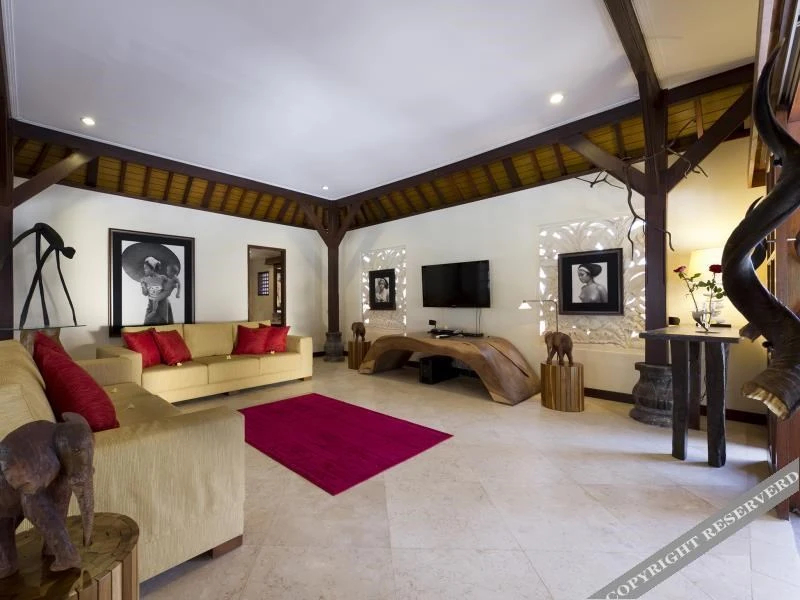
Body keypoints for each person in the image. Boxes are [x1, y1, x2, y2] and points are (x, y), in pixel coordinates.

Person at [140, 257, 175, 325]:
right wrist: (143, 285)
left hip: (163, 305)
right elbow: (145, 293)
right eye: (144, 268)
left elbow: (169, 288)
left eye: (146, 268)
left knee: (163, 326)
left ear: (152, 268)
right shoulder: (144, 279)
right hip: (151, 304)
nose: (144, 270)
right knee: (147, 324)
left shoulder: (163, 278)